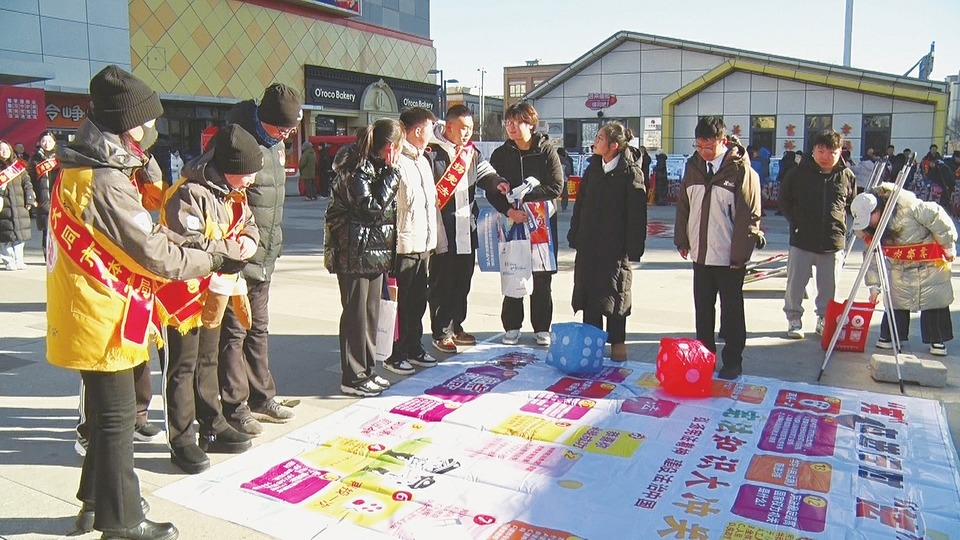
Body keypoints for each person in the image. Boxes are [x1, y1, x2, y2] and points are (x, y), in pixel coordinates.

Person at [47, 64, 227, 540]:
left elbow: (141, 233)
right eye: (146, 121)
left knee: (110, 416)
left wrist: (191, 246)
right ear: (126, 123)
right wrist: (210, 259)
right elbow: (151, 252)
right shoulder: (104, 180)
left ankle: (94, 504)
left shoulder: (82, 168)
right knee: (116, 419)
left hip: (90, 307)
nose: (151, 130)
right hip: (101, 313)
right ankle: (123, 521)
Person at [160, 124, 262, 474]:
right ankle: (181, 438)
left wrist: (250, 240)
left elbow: (249, 223)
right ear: (228, 167)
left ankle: (212, 424)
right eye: (247, 172)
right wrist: (233, 249)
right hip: (182, 297)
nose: (251, 180)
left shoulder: (234, 192)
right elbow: (187, 241)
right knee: (182, 367)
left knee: (208, 360)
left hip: (214, 293)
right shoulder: (188, 193)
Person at [219, 84, 302, 435]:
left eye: (290, 130)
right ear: (264, 119)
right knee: (233, 333)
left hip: (265, 253)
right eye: (282, 128)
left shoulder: (275, 143)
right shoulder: (236, 140)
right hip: (238, 255)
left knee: (259, 329)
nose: (286, 136)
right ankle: (234, 406)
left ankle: (262, 397)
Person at [674, 116, 763, 381]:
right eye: (699, 146)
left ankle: (733, 361)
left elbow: (750, 216)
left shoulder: (740, 170)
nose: (704, 152)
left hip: (729, 256)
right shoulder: (693, 167)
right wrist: (682, 240)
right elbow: (684, 207)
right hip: (701, 253)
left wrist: (740, 255)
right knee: (703, 309)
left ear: (722, 141)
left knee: (731, 310)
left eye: (709, 147)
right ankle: (705, 357)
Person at [324, 118, 403, 397]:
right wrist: (392, 174)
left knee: (370, 314)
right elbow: (371, 207)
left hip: (373, 253)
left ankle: (367, 370)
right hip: (354, 253)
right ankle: (353, 376)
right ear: (390, 147)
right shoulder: (355, 169)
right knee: (356, 316)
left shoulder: (377, 167)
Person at [426, 105, 504, 353]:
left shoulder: (471, 153)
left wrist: (498, 183)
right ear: (448, 126)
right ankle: (441, 332)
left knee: (462, 282)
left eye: (471, 128)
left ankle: (456, 325)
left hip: (467, 229)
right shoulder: (431, 153)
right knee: (441, 282)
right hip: (443, 230)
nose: (468, 133)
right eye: (463, 128)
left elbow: (486, 174)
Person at [485, 103, 564, 347]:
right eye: (508, 123)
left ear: (530, 124)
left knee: (542, 278)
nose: (511, 127)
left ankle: (542, 328)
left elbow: (556, 186)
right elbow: (491, 190)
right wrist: (509, 210)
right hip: (511, 221)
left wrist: (524, 195)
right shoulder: (501, 154)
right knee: (513, 271)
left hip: (541, 223)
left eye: (517, 122)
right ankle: (512, 326)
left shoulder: (546, 150)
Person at [568, 122, 647, 361]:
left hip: (615, 247)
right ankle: (592, 345)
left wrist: (634, 247)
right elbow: (580, 205)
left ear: (614, 145)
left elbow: (637, 215)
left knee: (615, 293)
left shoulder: (630, 172)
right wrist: (575, 233)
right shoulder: (593, 169)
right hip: (589, 244)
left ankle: (618, 343)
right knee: (589, 294)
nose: (595, 142)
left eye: (600, 138)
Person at [851, 184, 957, 356]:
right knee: (897, 300)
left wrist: (948, 246)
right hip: (899, 267)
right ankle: (892, 335)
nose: (869, 223)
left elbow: (939, 220)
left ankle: (937, 339)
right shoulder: (870, 229)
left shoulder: (911, 207)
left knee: (934, 299)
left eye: (870, 218)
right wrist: (874, 286)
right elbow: (872, 258)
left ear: (878, 209)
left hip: (929, 263)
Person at [778, 130, 855, 339]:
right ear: (813, 150)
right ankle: (794, 319)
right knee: (795, 285)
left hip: (832, 241)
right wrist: (796, 222)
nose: (825, 156)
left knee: (829, 288)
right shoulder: (797, 174)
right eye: (821, 151)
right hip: (802, 240)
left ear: (840, 152)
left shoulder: (846, 176)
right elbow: (784, 201)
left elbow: (851, 204)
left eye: (832, 152)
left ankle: (824, 319)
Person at [386, 107, 440, 375]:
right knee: (401, 303)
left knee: (418, 300)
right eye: (431, 127)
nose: (433, 132)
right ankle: (395, 353)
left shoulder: (423, 160)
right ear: (418, 130)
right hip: (403, 244)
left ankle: (414, 346)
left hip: (424, 242)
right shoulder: (396, 159)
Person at [0, 140, 35, 270]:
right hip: (3, 208)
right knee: (5, 236)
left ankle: (19, 260)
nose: (4, 152)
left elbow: (27, 184)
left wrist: (29, 199)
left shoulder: (18, 167)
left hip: (20, 206)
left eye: (6, 149)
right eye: (1, 149)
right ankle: (9, 261)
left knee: (20, 236)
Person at [27, 132, 57, 259]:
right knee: (46, 231)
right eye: (44, 141)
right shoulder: (34, 159)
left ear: (54, 142)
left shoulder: (60, 158)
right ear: (40, 142)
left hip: (58, 199)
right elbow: (30, 180)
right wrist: (33, 197)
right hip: (43, 200)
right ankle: (48, 257)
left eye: (49, 141)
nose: (46, 144)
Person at [557, 147, 574, 211]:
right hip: (564, 180)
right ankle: (564, 206)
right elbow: (568, 172)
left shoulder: (553, 159)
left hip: (554, 179)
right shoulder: (566, 161)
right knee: (564, 194)